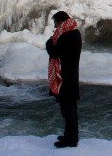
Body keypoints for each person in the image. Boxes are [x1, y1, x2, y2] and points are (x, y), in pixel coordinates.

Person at [46, 10, 82, 148]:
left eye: (55, 23)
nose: (55, 27)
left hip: (66, 78)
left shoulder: (67, 36)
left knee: (68, 110)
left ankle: (71, 140)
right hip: (69, 76)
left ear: (61, 21)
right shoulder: (72, 33)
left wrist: (49, 41)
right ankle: (69, 136)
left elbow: (54, 52)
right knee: (68, 109)